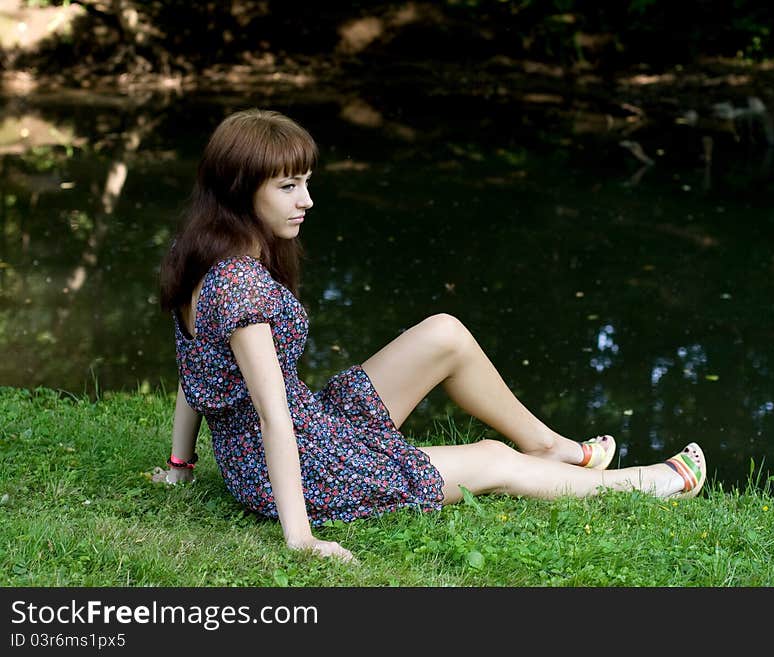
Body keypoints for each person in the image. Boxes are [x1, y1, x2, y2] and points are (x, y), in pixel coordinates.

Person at [153, 108, 707, 563]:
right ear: (240, 189)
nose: (307, 201)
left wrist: (182, 467)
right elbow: (274, 418)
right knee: (490, 459)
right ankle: (650, 484)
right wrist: (301, 537)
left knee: (445, 333)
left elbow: (193, 369)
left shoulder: (203, 256)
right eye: (289, 187)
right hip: (306, 464)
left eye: (307, 184)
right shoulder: (241, 285)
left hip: (309, 429)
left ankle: (548, 445)